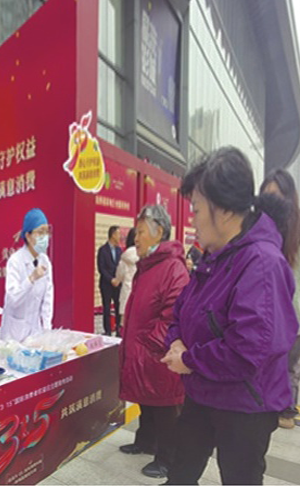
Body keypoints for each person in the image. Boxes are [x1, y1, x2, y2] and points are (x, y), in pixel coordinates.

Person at [161, 147, 299, 485]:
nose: (192, 219)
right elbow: (181, 311)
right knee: (180, 472)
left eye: (196, 209)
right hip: (203, 390)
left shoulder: (262, 263)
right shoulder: (215, 257)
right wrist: (176, 343)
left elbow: (247, 351)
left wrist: (189, 359)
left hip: (245, 405)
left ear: (222, 210)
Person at [118, 205, 189, 479]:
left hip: (159, 353)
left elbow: (173, 316)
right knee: (146, 400)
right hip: (143, 350)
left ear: (159, 232)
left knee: (165, 406)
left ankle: (167, 459)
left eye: (140, 232)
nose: (135, 238)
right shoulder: (148, 265)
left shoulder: (173, 268)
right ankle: (146, 441)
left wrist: (149, 344)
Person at [260, 168, 300, 430]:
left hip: (292, 321)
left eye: (275, 195)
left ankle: (285, 407)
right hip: (264, 320)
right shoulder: (258, 230)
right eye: (266, 195)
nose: (270, 202)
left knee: (287, 371)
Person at [0, 208, 54, 343]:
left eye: (46, 232)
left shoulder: (45, 261)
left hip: (36, 331)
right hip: (14, 334)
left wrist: (47, 330)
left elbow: (48, 298)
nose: (45, 237)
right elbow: (13, 299)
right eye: (40, 232)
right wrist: (31, 279)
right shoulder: (15, 261)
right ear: (28, 236)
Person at [97, 225, 122, 336]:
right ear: (113, 235)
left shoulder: (119, 250)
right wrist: (111, 279)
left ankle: (118, 330)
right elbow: (101, 268)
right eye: (118, 234)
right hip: (106, 284)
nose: (120, 236)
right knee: (106, 308)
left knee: (118, 307)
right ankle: (107, 331)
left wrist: (118, 279)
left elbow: (121, 267)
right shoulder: (103, 250)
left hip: (117, 284)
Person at [111, 227, 138, 327]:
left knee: (125, 323)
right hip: (140, 291)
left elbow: (119, 274)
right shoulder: (145, 255)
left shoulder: (125, 256)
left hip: (127, 290)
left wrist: (117, 280)